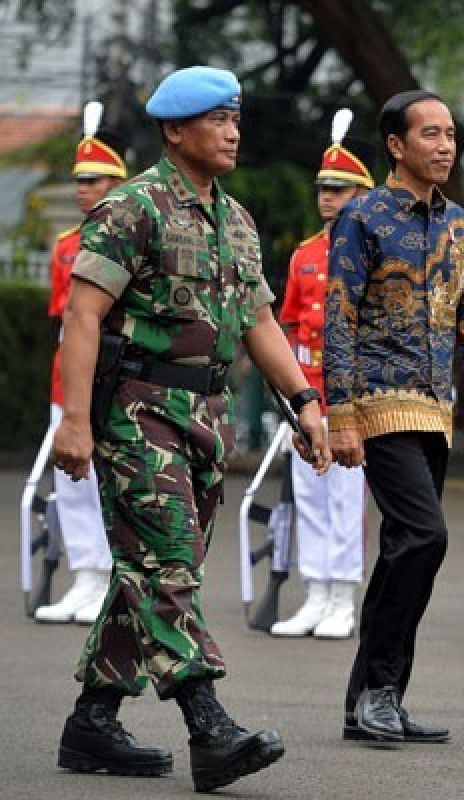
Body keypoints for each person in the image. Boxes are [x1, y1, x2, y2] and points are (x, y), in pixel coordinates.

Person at [50, 66, 331, 792]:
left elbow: (261, 320)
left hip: (205, 419)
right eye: (217, 119)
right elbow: (82, 317)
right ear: (176, 130)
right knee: (167, 564)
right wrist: (76, 423)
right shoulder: (131, 208)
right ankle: (209, 726)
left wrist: (304, 401)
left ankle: (93, 719)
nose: (234, 131)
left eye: (237, 118)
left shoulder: (234, 221)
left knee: (150, 570)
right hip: (137, 415)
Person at [325, 89, 464, 744]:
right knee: (426, 537)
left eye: (451, 134)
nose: (444, 145)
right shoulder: (363, 217)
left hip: (436, 409)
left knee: (403, 550)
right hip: (378, 404)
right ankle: (380, 688)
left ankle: (371, 701)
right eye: (430, 134)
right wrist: (340, 413)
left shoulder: (460, 226)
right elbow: (338, 318)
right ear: (397, 146)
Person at [271, 110, 374, 640]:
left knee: (343, 499)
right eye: (324, 189)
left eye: (340, 188)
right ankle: (315, 592)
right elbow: (287, 328)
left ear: (363, 192)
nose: (328, 197)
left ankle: (341, 597)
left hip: (350, 393)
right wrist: (289, 400)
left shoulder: (375, 251)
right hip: (307, 388)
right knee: (310, 494)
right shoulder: (305, 255)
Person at [35, 101, 125, 625]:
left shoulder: (129, 238)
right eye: (80, 180)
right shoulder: (66, 246)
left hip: (112, 381)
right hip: (65, 382)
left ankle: (110, 578)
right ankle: (85, 576)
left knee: (111, 484)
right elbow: (62, 324)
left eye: (94, 179)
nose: (83, 189)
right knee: (73, 484)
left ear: (116, 181)